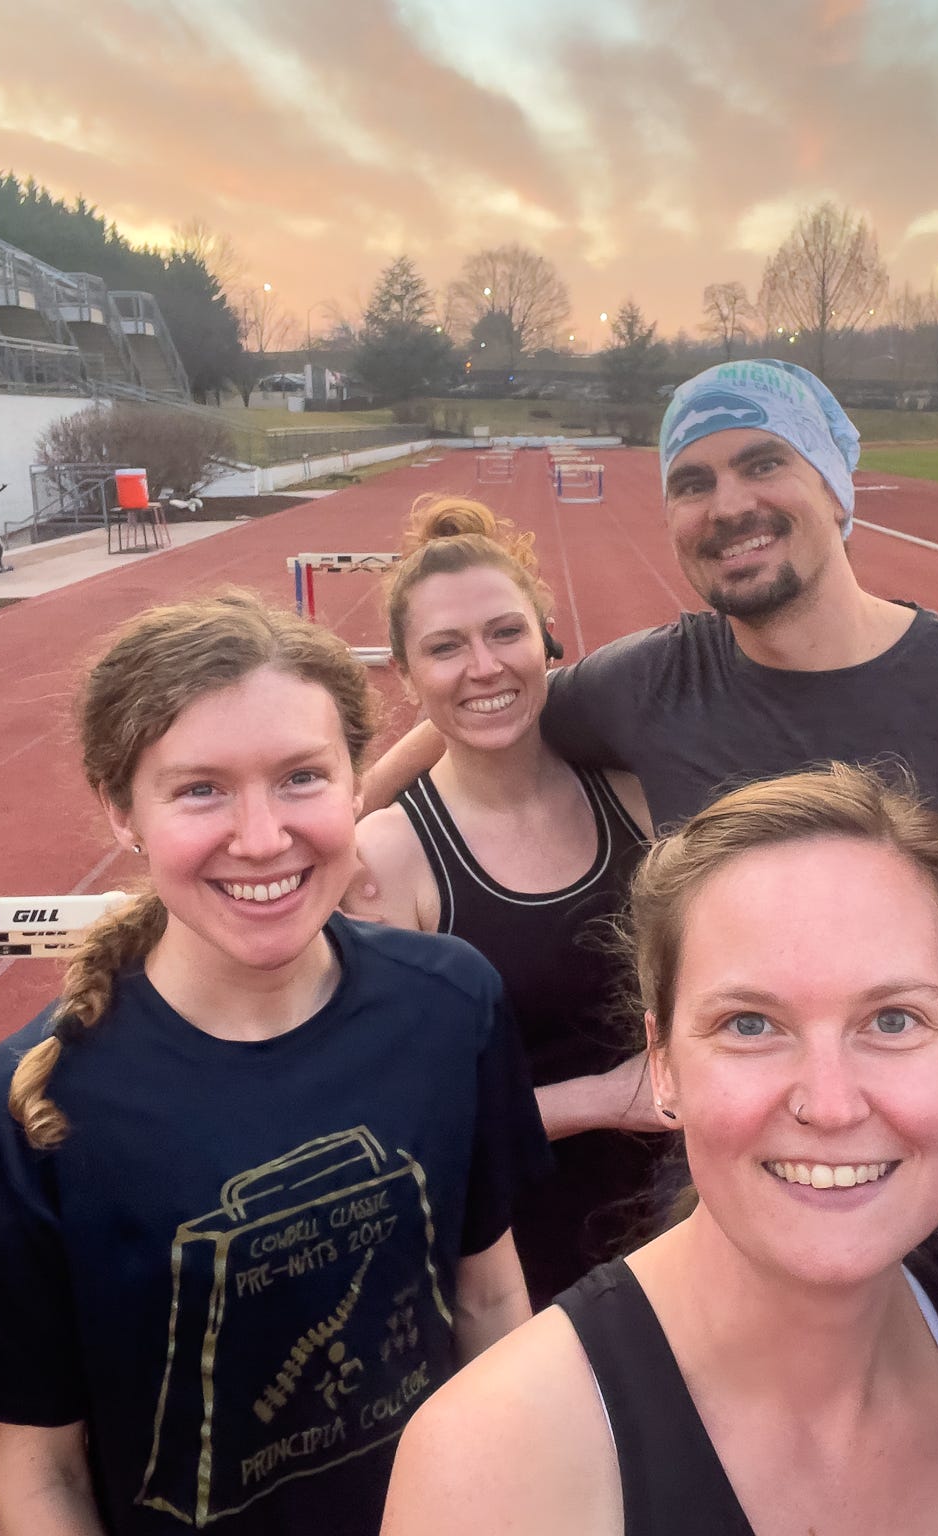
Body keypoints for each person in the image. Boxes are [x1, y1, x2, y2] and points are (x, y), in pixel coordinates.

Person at [0, 592, 551, 1535]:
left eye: (301, 777)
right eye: (201, 789)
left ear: (356, 783)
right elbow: (43, 1475)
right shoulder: (28, 1115)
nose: (261, 837)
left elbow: (487, 1298)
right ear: (121, 811)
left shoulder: (451, 1004)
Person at [382, 765, 938, 1536]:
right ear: (663, 1066)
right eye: (750, 1025)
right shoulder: (495, 1463)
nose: (830, 1104)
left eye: (893, 1020)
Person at [363, 358, 938, 1003]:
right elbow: (500, 703)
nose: (730, 506)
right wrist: (353, 816)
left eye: (764, 464)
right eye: (693, 483)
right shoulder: (646, 683)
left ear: (836, 490)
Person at [346, 494, 662, 1304]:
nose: (484, 667)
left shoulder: (636, 797)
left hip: (678, 1229)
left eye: (505, 633)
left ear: (547, 643)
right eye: (445, 647)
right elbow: (394, 1118)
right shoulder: (388, 858)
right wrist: (604, 1098)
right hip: (511, 1269)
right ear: (407, 674)